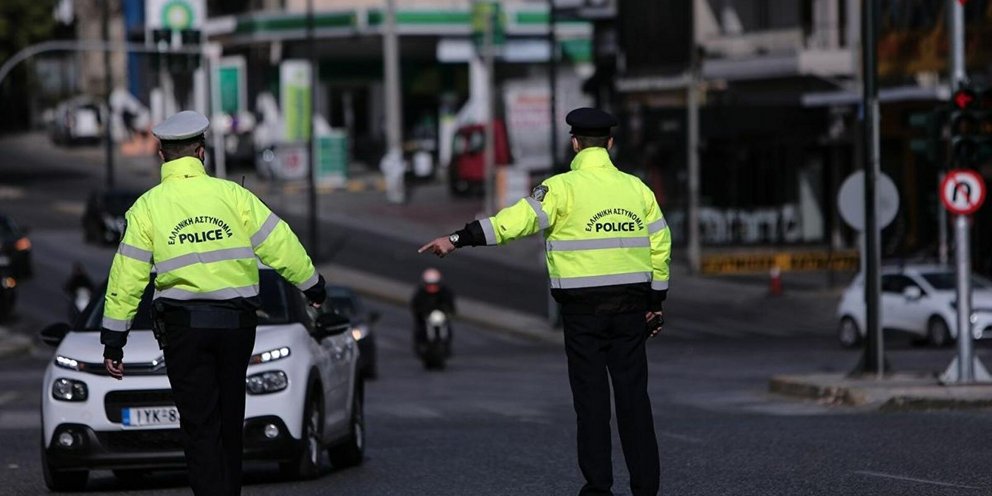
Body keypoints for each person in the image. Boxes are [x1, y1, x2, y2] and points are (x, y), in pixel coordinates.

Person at [419, 107, 671, 496]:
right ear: (610, 143)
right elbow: (661, 245)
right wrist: (656, 300)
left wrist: (457, 239)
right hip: (630, 309)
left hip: (582, 313)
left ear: (574, 143)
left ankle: (599, 487)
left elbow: (511, 222)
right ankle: (646, 486)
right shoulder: (636, 189)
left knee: (591, 403)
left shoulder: (560, 189)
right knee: (634, 399)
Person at [100, 110, 327, 496]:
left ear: (161, 155)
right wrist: (313, 286)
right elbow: (279, 244)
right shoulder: (233, 196)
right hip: (236, 327)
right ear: (201, 153)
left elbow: (128, 276)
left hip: (183, 329)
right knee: (229, 419)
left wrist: (114, 339)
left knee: (199, 425)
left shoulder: (148, 208)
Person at [410, 267, 456, 354]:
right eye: (429, 285)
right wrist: (420, 312)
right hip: (425, 316)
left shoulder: (445, 292)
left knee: (447, 328)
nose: (432, 288)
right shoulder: (420, 293)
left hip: (440, 315)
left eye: (434, 285)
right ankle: (420, 346)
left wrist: (448, 312)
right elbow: (415, 305)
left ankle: (447, 346)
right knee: (419, 329)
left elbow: (450, 305)